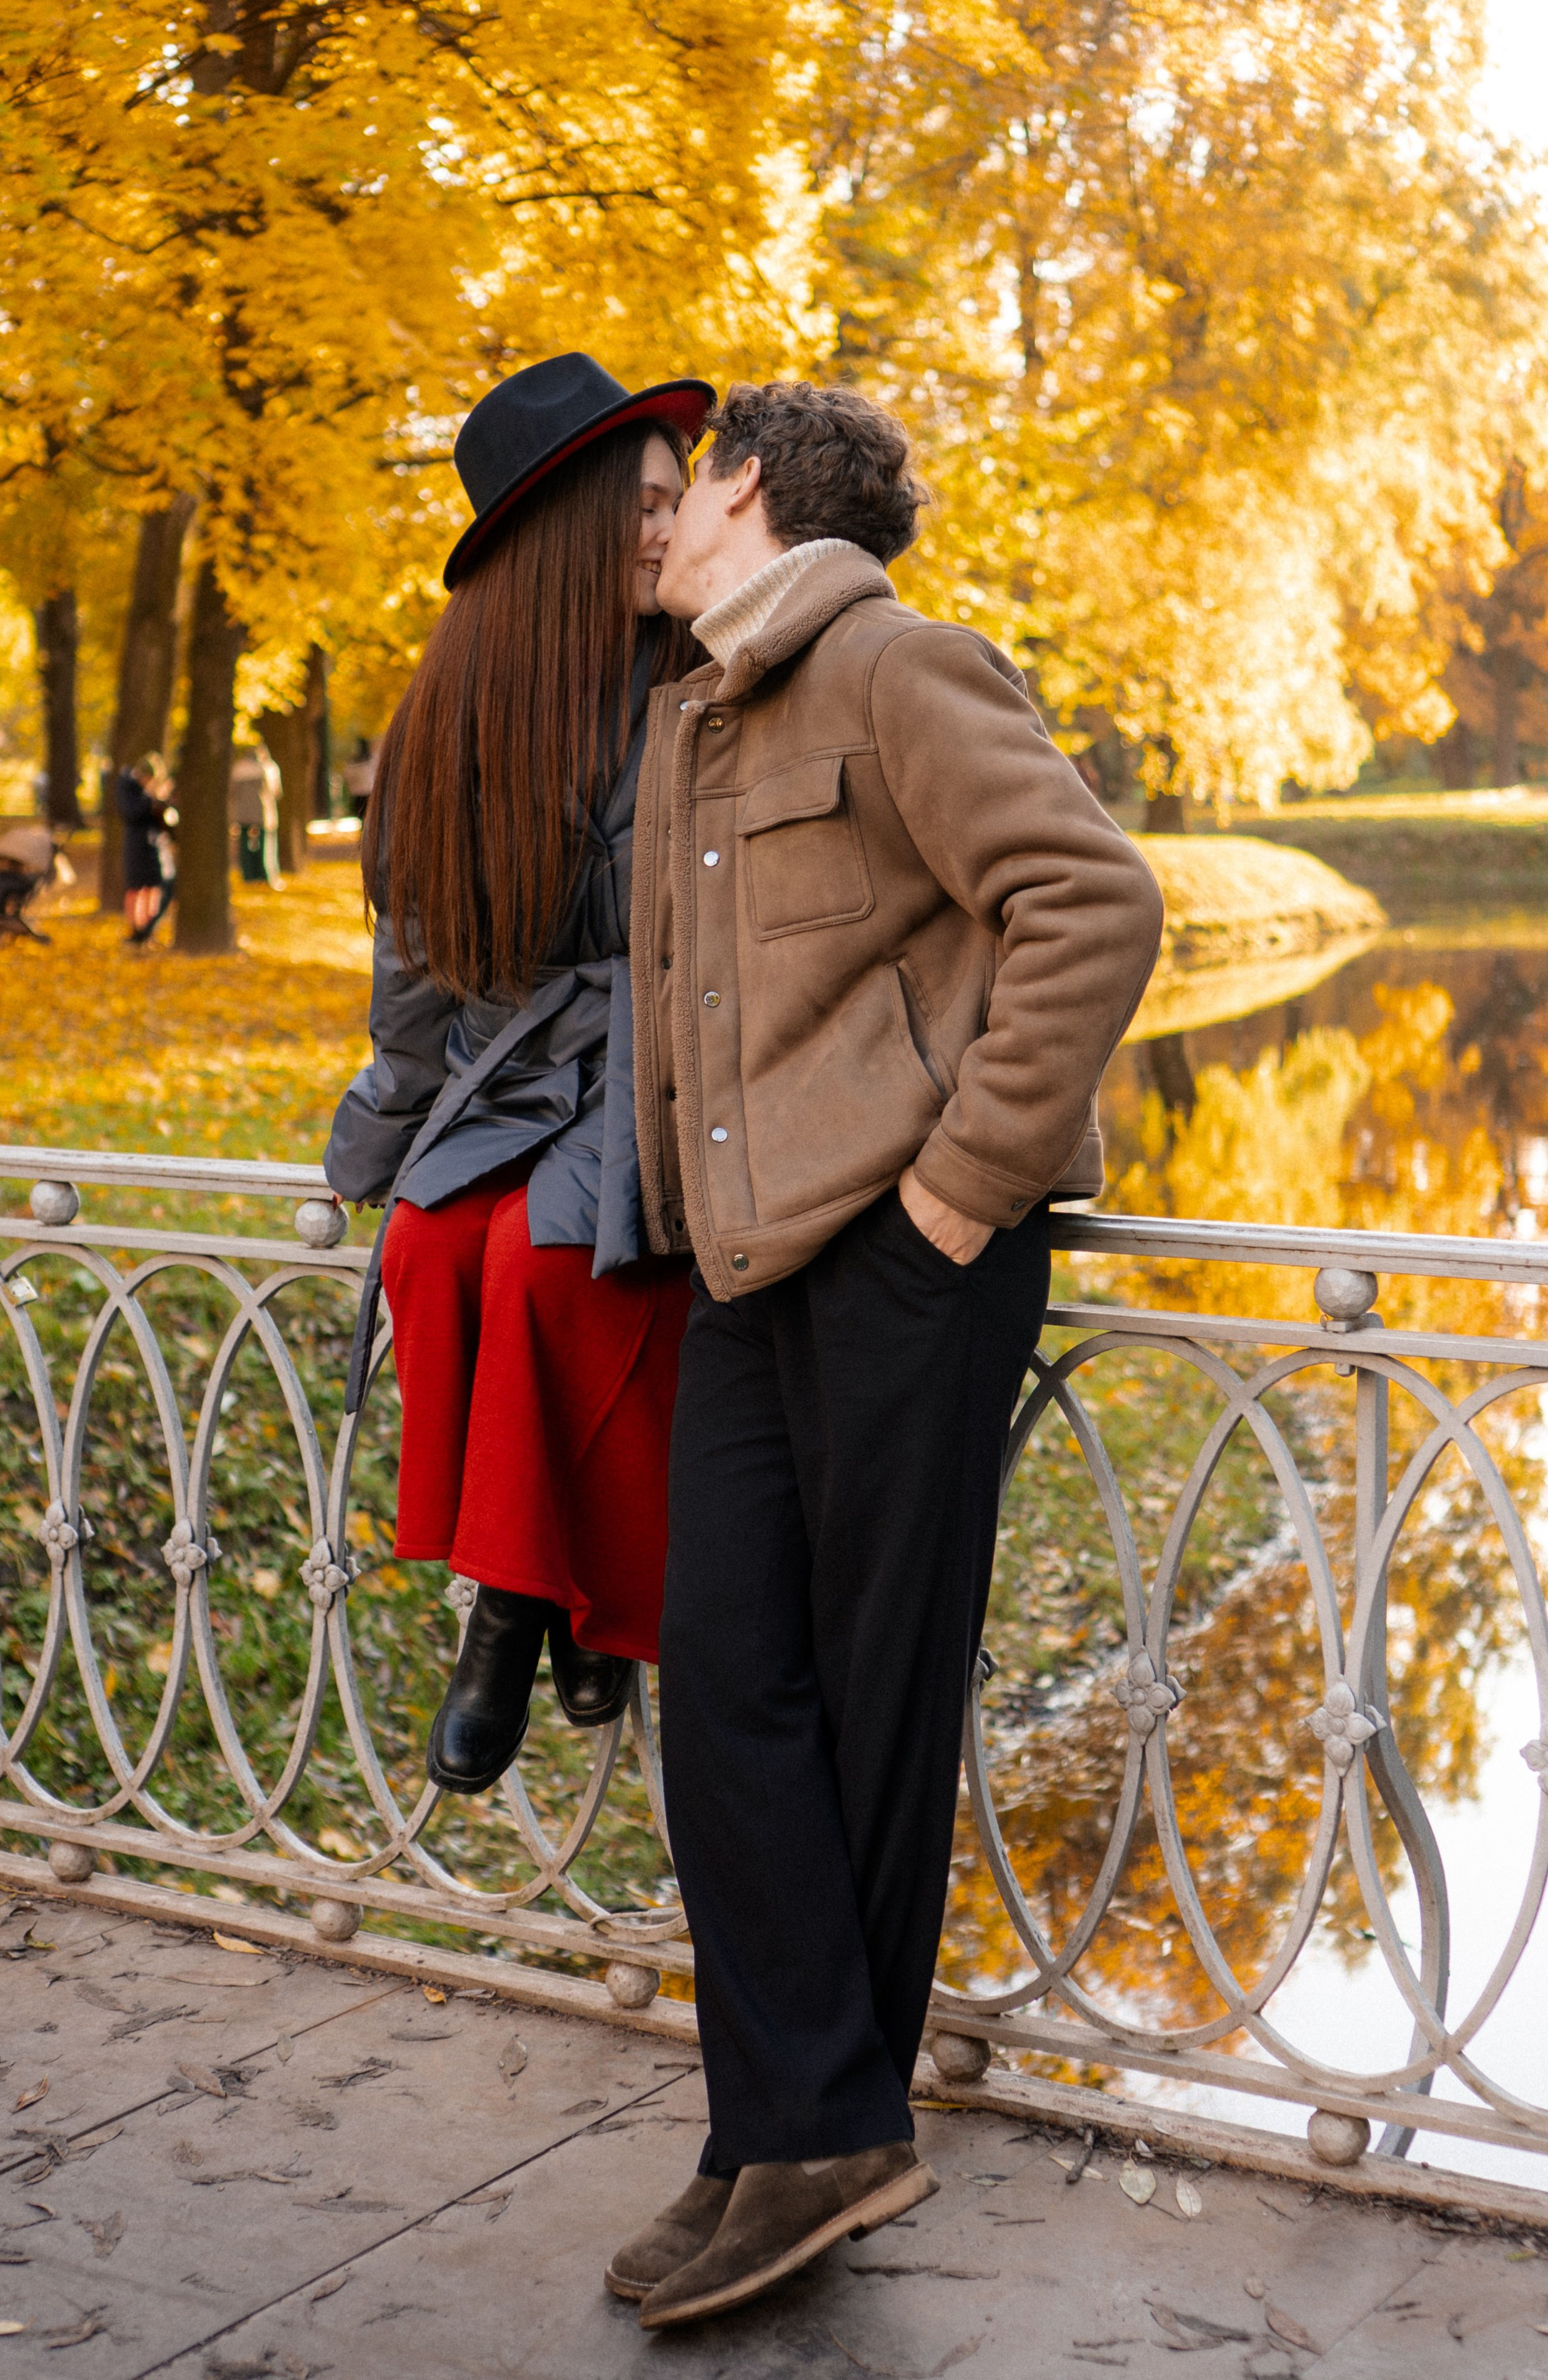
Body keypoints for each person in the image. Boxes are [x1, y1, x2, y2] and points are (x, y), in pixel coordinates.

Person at [603, 381, 1165, 2326]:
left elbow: (1088, 901)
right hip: (749, 1269)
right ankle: (788, 2123)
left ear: (749, 487)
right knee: (731, 1683)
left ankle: (805, 2133)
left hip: (907, 1251)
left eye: (679, 494)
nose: (650, 525)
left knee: (864, 1696)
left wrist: (958, 1191)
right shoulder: (697, 712)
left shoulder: (898, 668)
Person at [323, 352, 715, 1797]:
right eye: (649, 506)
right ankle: (546, 1591)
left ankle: (520, 1608)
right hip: (518, 1065)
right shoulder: (459, 713)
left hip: (671, 1057)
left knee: (558, 1263)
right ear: (566, 528)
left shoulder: (710, 674)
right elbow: (419, 959)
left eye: (680, 501)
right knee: (428, 1246)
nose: (674, 531)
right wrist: (378, 1131)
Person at [115, 754, 168, 941]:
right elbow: (130, 813)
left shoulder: (148, 792)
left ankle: (149, 928)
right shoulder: (127, 787)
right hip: (136, 843)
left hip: (154, 843)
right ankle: (136, 928)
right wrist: (149, 799)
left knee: (154, 886)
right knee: (136, 887)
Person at [230, 744, 281, 883]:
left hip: (242, 813)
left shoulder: (238, 768)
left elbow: (232, 793)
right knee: (266, 845)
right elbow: (275, 792)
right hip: (263, 813)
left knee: (244, 846)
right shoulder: (268, 768)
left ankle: (248, 874)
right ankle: (266, 874)